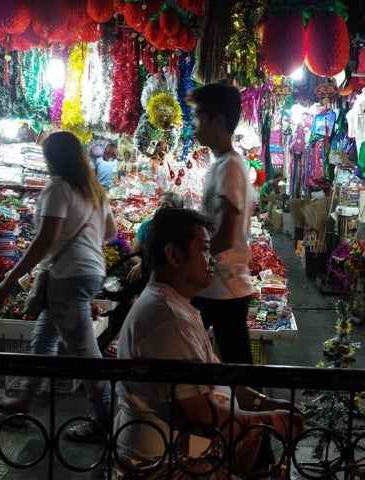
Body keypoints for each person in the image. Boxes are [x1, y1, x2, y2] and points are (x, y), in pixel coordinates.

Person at [112, 208, 304, 479]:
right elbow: (203, 415)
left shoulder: (176, 307)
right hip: (166, 465)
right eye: (204, 250)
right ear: (174, 255)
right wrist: (270, 420)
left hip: (184, 452)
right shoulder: (166, 319)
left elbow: (218, 374)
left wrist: (264, 403)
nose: (212, 259)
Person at [0, 130, 117, 443]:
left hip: (69, 277)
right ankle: (24, 403)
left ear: (53, 158)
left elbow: (45, 240)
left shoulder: (58, 189)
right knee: (43, 339)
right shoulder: (93, 192)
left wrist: (10, 280)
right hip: (88, 274)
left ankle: (110, 421)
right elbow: (110, 233)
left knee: (86, 354)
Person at [187, 82, 254, 365]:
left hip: (223, 285)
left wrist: (189, 263)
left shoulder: (229, 167)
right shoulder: (221, 164)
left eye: (199, 115)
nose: (194, 124)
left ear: (218, 121)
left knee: (236, 368)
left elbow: (225, 236)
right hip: (219, 284)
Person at [102, 191, 184, 358]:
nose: (160, 208)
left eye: (165, 205)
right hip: (148, 278)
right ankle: (126, 337)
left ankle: (124, 337)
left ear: (176, 210)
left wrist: (147, 265)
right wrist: (143, 265)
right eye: (159, 204)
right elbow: (134, 254)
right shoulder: (147, 226)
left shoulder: (179, 232)